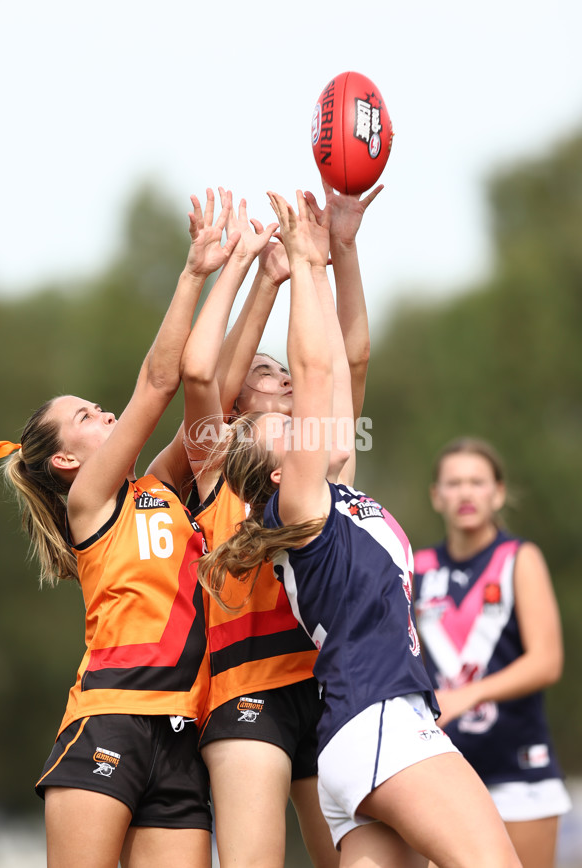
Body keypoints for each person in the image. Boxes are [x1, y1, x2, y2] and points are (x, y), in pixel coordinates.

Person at [196, 191, 523, 868]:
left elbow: (344, 363)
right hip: (377, 721)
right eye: (285, 423)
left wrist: (341, 250)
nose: (299, 408)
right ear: (279, 467)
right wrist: (305, 267)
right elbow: (317, 371)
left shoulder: (330, 495)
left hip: (354, 729)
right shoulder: (301, 504)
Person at [0, 189, 242, 868]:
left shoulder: (159, 488)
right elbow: (158, 384)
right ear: (66, 460)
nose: (103, 412)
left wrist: (251, 271)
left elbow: (206, 387)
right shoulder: (92, 501)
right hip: (110, 719)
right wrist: (194, 271)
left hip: (183, 732)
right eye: (87, 415)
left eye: (99, 407)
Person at [181, 183, 379, 867]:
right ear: (240, 404)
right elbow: (204, 370)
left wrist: (338, 254)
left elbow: (344, 360)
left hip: (329, 684)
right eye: (266, 373)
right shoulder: (215, 460)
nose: (283, 377)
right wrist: (262, 273)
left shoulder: (320, 458)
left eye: (285, 368)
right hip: (248, 689)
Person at [413, 437, 572, 868]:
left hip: (519, 768)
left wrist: (467, 696)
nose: (465, 492)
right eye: (454, 483)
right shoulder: (419, 567)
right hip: (444, 769)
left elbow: (546, 661)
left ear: (498, 492)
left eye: (477, 482)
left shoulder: (519, 558)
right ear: (436, 496)